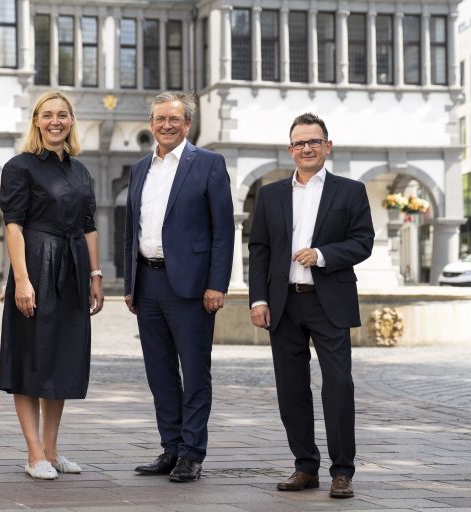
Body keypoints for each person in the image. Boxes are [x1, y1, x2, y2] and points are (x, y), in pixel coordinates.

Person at [248, 113, 374, 499]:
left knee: (338, 385)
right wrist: (259, 298)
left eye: (314, 141)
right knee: (291, 389)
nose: (307, 148)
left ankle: (342, 471)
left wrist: (321, 254)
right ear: (290, 150)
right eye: (300, 143)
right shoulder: (270, 195)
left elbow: (363, 242)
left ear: (327, 146)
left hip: (328, 302)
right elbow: (260, 250)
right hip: (284, 304)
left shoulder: (350, 191)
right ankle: (305, 466)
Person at [123, 91, 234, 483]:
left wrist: (217, 284)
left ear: (187, 124)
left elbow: (223, 231)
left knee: (195, 373)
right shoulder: (139, 169)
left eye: (174, 119)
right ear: (151, 123)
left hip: (190, 287)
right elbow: (130, 230)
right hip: (148, 282)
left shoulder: (208, 164)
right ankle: (170, 447)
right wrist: (130, 282)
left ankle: (192, 452)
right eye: (159, 119)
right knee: (160, 373)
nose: (166, 125)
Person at [0, 91, 104, 480]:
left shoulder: (80, 171)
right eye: (47, 115)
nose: (55, 121)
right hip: (37, 265)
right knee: (31, 357)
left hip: (74, 267)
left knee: (61, 359)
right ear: (36, 121)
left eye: (62, 114)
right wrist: (23, 280)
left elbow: (90, 225)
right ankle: (33, 453)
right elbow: (13, 225)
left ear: (72, 120)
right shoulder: (20, 166)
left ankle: (53, 450)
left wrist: (95, 275)